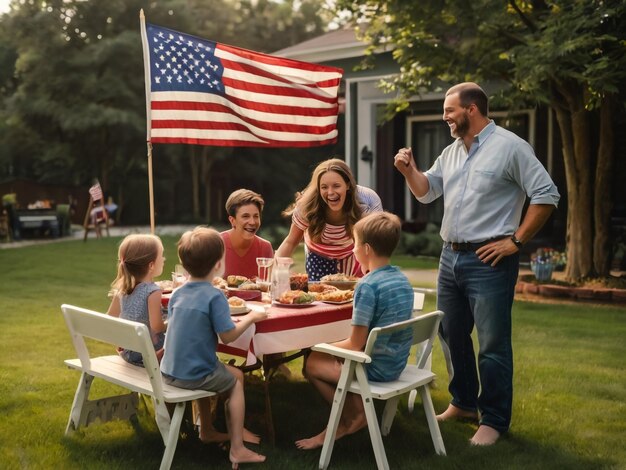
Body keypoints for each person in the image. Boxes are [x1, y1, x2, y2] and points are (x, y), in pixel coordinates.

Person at [394, 82, 560, 446]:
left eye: (449, 110)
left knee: (492, 343)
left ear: (472, 109)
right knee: (451, 333)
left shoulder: (510, 147)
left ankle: (495, 419)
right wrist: (409, 171)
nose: (445, 117)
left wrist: (515, 241)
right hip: (449, 256)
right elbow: (427, 192)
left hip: (490, 260)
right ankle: (464, 403)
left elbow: (546, 194)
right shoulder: (452, 152)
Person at [295, 211, 414, 450]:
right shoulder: (401, 279)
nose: (353, 250)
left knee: (313, 362)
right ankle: (355, 412)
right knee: (325, 354)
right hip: (396, 362)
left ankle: (352, 415)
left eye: (356, 244)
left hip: (375, 369)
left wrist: (319, 345)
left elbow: (355, 344)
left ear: (367, 249)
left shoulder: (367, 286)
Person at [160, 227, 267, 468]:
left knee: (230, 371)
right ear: (219, 264)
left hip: (169, 370)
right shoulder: (214, 296)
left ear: (184, 265)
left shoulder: (177, 293)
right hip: (194, 374)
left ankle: (207, 430)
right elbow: (228, 337)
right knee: (237, 382)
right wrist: (252, 317)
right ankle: (238, 448)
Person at [276, 158, 383, 281]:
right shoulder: (307, 205)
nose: (330, 192)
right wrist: (277, 274)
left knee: (355, 294)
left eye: (336, 186)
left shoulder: (365, 202)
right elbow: (291, 241)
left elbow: (375, 245)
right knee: (320, 296)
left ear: (348, 185)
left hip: (353, 253)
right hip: (318, 255)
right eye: (324, 187)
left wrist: (374, 276)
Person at [107, 234, 167, 365]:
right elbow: (157, 327)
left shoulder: (122, 288)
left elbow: (110, 318)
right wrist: (170, 323)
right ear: (151, 265)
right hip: (147, 354)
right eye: (161, 255)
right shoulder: (153, 292)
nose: (164, 259)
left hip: (127, 351)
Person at [221, 189, 273, 279]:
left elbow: (271, 286)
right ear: (232, 220)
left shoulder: (265, 248)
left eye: (256, 216)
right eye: (245, 216)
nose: (252, 222)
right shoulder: (215, 244)